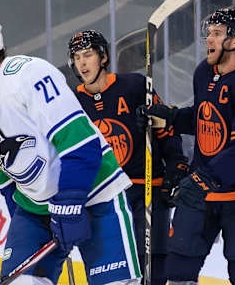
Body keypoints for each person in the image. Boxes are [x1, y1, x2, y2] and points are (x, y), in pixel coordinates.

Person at [0, 13, 141, 285]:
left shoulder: (30, 74)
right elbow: (7, 185)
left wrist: (69, 203)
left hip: (96, 194)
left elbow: (81, 144)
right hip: (36, 211)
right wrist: (28, 231)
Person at [140, 8, 235, 285]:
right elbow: (205, 116)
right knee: (178, 265)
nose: (208, 40)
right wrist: (173, 117)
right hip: (204, 190)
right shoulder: (204, 72)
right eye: (208, 34)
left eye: (215, 34)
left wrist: (203, 179)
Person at [67, 30, 189, 285]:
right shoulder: (72, 102)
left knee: (154, 263)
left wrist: (176, 164)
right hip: (106, 195)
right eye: (77, 57)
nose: (82, 63)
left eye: (87, 55)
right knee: (118, 267)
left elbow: (165, 128)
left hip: (146, 187)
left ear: (103, 57)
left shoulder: (134, 85)